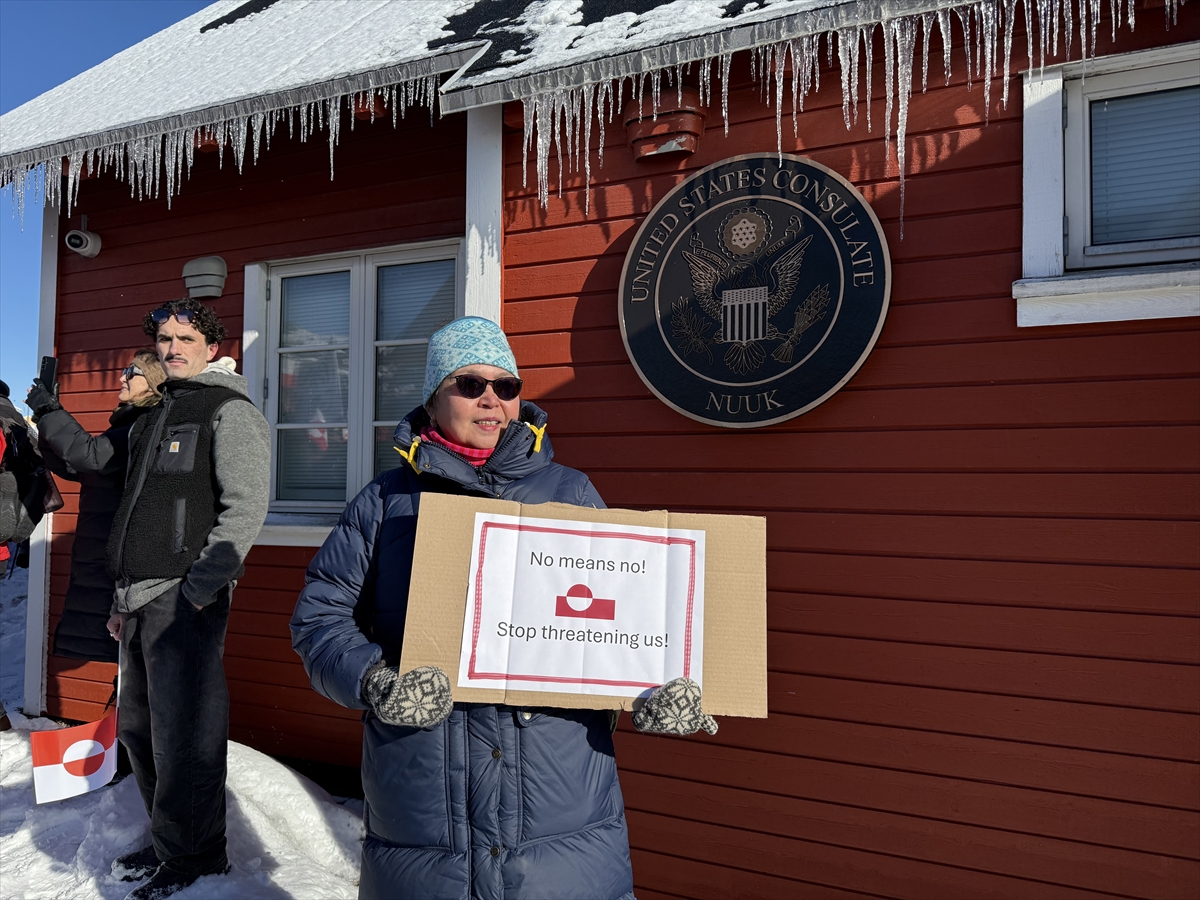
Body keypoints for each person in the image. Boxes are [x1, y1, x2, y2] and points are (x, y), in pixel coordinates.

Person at [290, 317, 716, 900]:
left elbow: (621, 623)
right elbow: (320, 620)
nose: (490, 399)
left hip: (560, 814)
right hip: (428, 815)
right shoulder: (386, 503)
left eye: (506, 386)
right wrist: (375, 681)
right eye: (468, 384)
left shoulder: (571, 493)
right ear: (434, 398)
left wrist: (659, 690)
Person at [104, 298, 270, 900]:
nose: (172, 348)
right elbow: (136, 513)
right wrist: (121, 599)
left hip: (184, 597)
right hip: (138, 596)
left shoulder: (228, 409)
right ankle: (168, 838)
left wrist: (201, 590)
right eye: (165, 339)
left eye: (185, 339)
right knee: (141, 730)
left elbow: (246, 506)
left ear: (209, 346)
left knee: (187, 735)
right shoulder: (154, 413)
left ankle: (197, 857)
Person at [25, 350, 166, 662]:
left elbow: (88, 455)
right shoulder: (129, 424)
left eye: (132, 371)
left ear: (154, 383)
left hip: (119, 554)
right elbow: (79, 466)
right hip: (101, 549)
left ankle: (130, 708)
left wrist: (50, 411)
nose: (122, 377)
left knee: (127, 648)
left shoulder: (144, 424)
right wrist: (48, 420)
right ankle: (124, 706)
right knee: (119, 646)